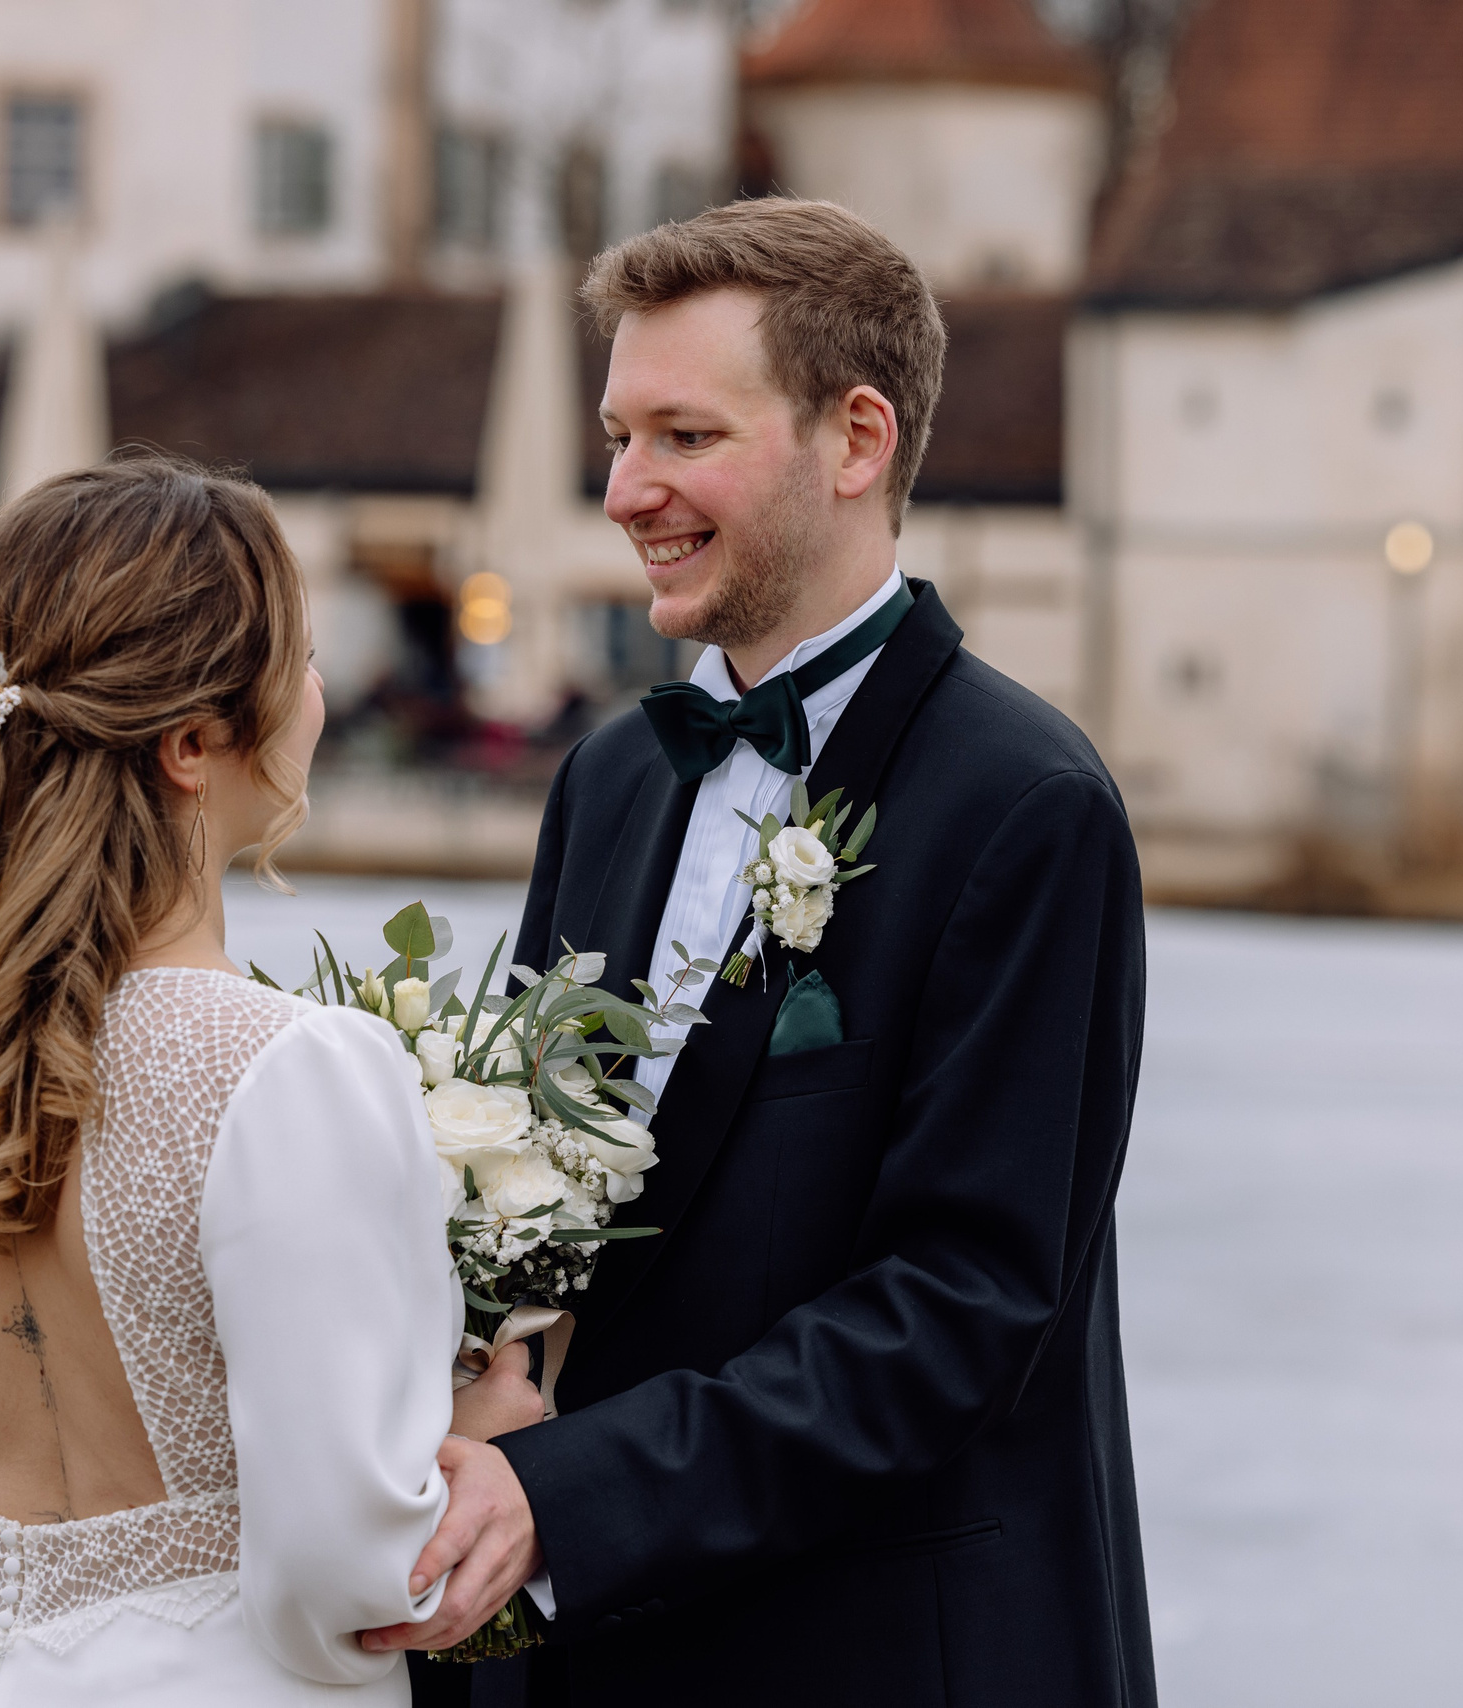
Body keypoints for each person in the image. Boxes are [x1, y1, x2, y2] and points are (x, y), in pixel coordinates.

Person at [374, 200, 1157, 1707]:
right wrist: (484, 1374)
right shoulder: (610, 778)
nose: (625, 490)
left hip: (879, 1653)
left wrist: (570, 1496)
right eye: (620, 437)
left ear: (855, 440)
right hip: (591, 1646)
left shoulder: (1029, 806)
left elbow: (955, 1308)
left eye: (685, 436)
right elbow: (536, 1193)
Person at [0, 455, 540, 1706]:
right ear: (191, 743)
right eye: (300, 660)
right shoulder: (284, 1073)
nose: (318, 693)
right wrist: (475, 1449)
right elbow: (352, 1578)